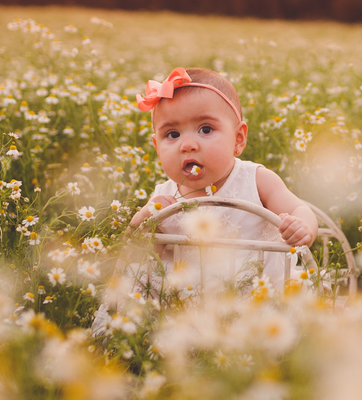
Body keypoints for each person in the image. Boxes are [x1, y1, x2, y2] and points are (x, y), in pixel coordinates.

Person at [126, 66, 317, 286]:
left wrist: (302, 227)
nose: (187, 145)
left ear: (238, 139)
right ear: (157, 147)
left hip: (258, 295)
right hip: (184, 305)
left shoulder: (256, 180)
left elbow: (299, 209)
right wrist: (144, 220)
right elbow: (138, 256)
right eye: (173, 134)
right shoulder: (163, 198)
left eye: (205, 130)